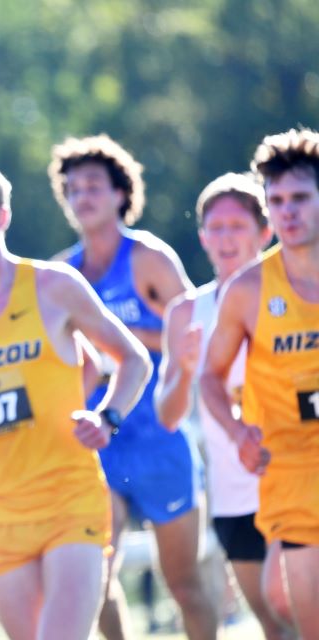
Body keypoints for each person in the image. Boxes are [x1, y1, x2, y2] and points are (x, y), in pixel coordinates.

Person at [0, 157, 150, 639]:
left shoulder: (53, 286)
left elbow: (134, 360)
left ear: (0, 216)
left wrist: (107, 416)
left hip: (71, 500)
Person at [49, 134, 216, 639]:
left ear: (121, 193)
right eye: (73, 189)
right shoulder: (62, 274)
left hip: (160, 436)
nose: (82, 197)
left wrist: (126, 338)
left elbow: (198, 330)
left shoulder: (147, 258)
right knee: (97, 579)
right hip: (100, 442)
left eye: (93, 186)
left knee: (183, 583)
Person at [156, 173, 293, 639]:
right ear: (202, 238)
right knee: (273, 623)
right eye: (215, 228)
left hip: (294, 480)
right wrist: (184, 371)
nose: (225, 238)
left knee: (296, 608)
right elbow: (168, 416)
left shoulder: (296, 296)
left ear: (265, 232)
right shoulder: (186, 313)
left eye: (237, 226)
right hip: (234, 493)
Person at [200, 129, 319, 639]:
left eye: (300, 198)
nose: (287, 212)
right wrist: (237, 432)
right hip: (290, 472)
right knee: (298, 614)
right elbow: (209, 376)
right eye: (277, 201)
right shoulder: (248, 289)